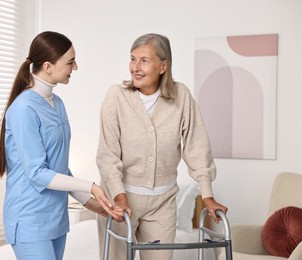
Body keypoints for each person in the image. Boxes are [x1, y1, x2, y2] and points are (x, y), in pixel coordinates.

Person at [96, 33, 228, 260]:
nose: (135, 67)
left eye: (144, 60)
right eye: (132, 59)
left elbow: (197, 147)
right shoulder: (116, 97)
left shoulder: (181, 97)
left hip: (162, 204)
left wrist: (207, 195)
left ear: (163, 66)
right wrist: (119, 197)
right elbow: (107, 155)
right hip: (119, 200)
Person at [0, 31, 122, 260]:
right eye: (70, 62)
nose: (76, 67)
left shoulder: (58, 104)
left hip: (55, 219)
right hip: (29, 218)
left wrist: (90, 203)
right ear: (48, 66)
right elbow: (37, 173)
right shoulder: (23, 109)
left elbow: (59, 169)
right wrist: (91, 186)